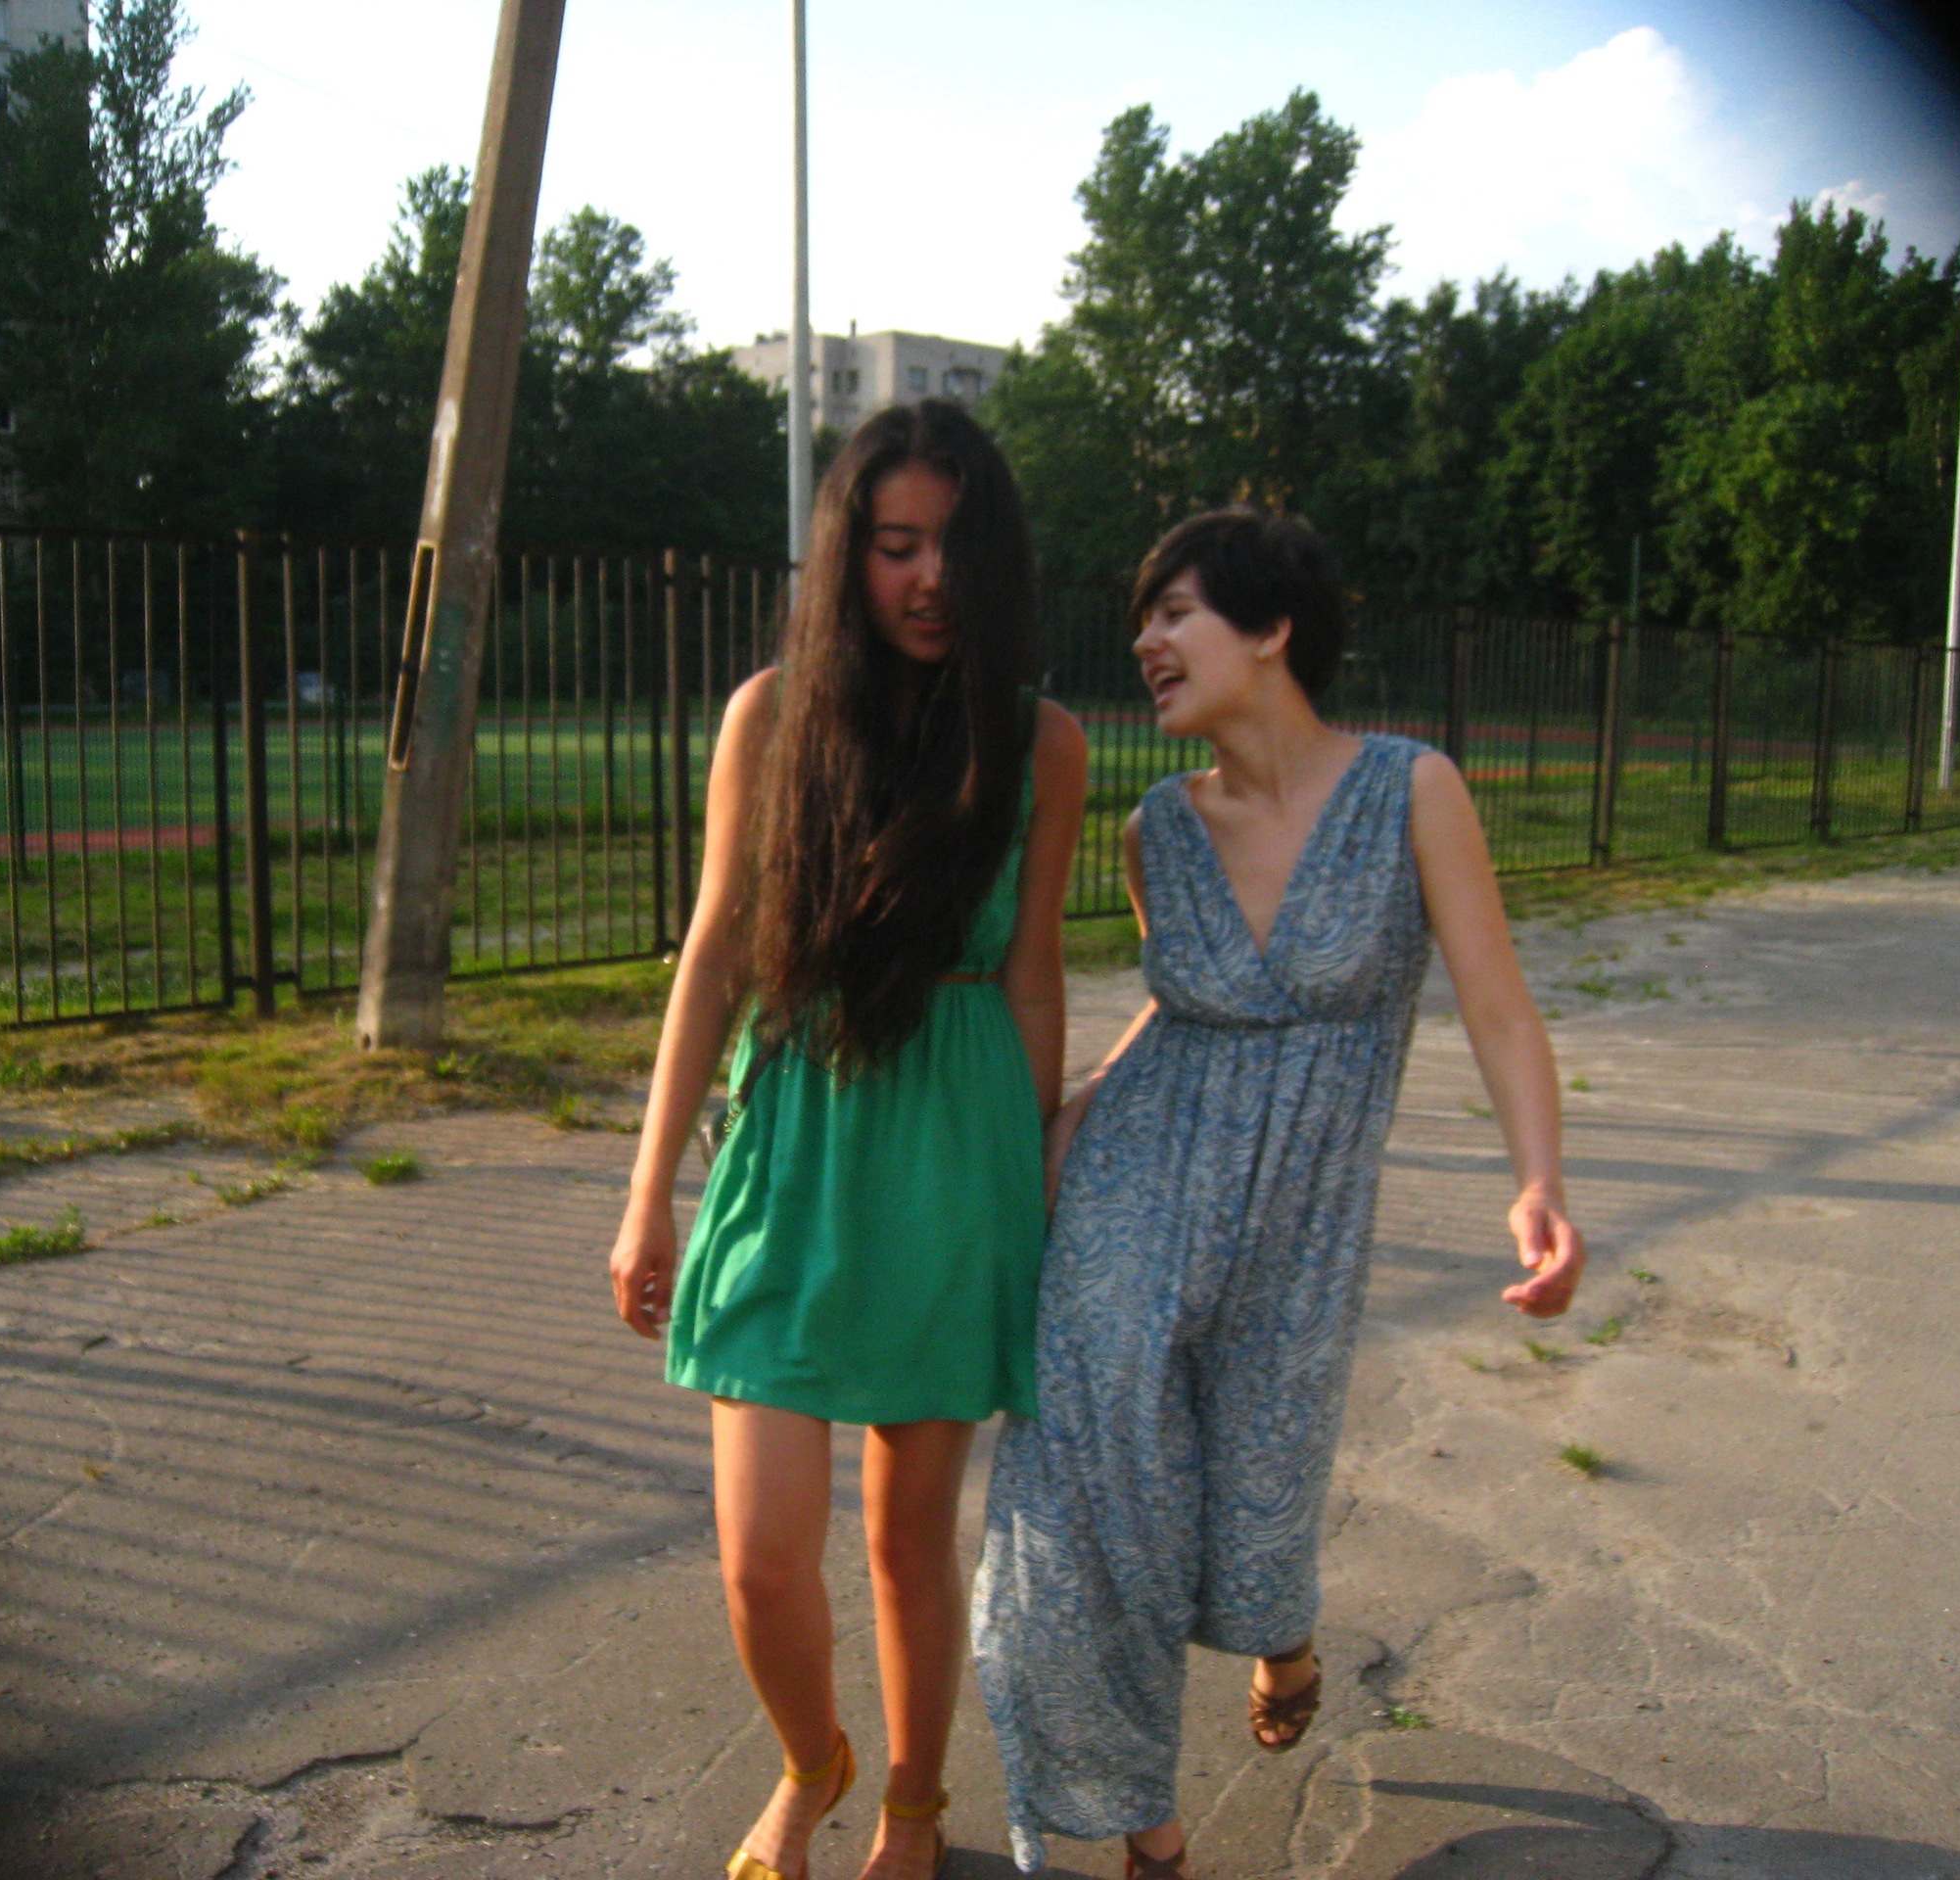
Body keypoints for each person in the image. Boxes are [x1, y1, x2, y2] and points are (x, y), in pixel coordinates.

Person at [970, 508, 1586, 1877]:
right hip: (1136, 1187)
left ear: (1271, 629)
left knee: (1260, 1487)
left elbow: (1497, 1005)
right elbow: (1182, 1007)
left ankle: (1282, 1639)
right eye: (1142, 618)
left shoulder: (1412, 789)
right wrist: (1069, 1124)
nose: (1146, 641)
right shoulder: (1156, 829)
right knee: (1080, 1493)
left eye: (1175, 611)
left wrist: (1539, 1180)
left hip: (1302, 1217)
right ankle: (1143, 1825)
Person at [609, 400, 1089, 1880]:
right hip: (794, 1141)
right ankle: (811, 1759)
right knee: (762, 1557)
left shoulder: (1041, 743)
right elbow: (713, 953)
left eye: (955, 546)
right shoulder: (772, 718)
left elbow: (1032, 973)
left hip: (954, 1150)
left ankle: (915, 1806)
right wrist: (648, 1195)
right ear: (848, 557)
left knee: (904, 1540)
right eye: (896, 545)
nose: (930, 577)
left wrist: (1028, 1183)